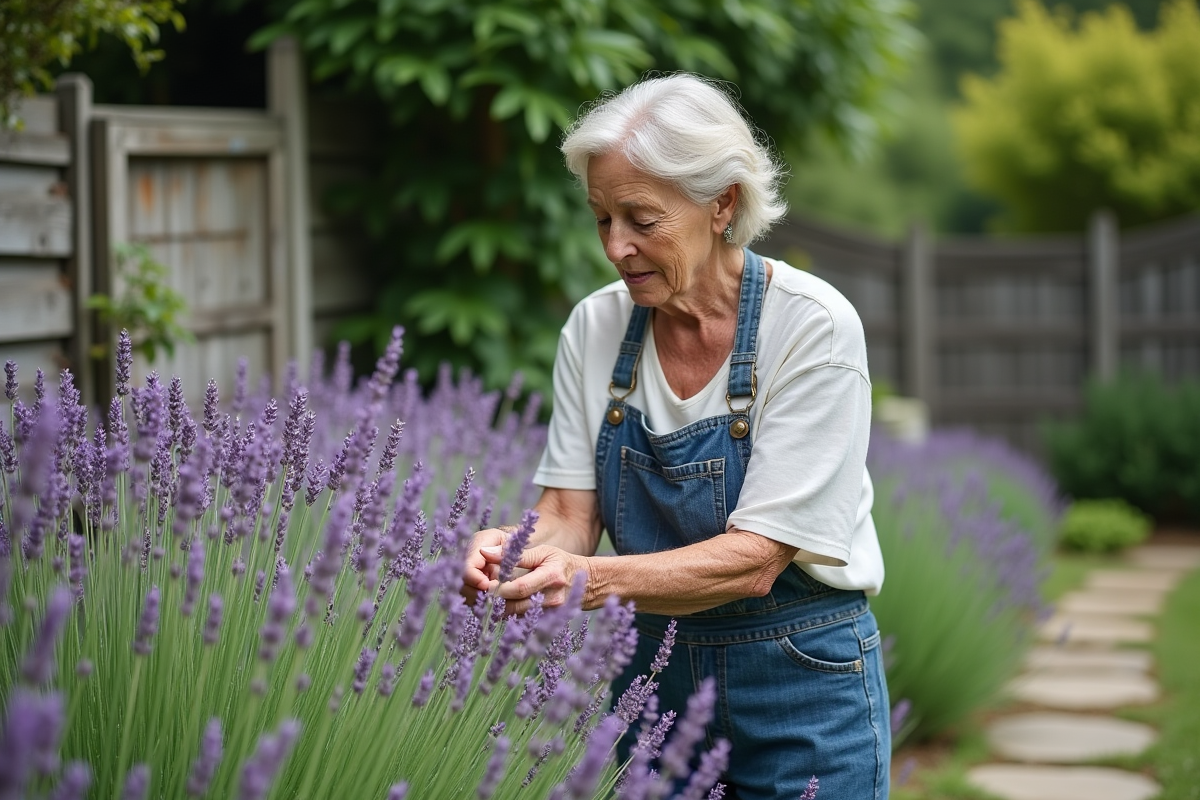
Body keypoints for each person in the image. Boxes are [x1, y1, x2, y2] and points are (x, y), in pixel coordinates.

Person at [463, 73, 890, 800]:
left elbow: (756, 561)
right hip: (654, 675)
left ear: (722, 202)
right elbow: (568, 518)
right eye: (602, 219)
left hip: (803, 679)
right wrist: (512, 551)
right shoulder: (595, 328)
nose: (616, 247)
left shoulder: (811, 325)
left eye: (641, 218)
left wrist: (585, 581)